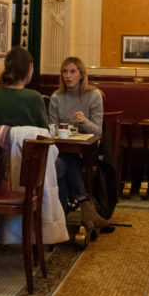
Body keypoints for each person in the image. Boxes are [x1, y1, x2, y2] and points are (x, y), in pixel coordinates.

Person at [46, 56, 105, 242]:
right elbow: (52, 128)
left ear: (81, 75)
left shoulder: (93, 95)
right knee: (62, 164)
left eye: (72, 71)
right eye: (64, 71)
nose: (68, 76)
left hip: (87, 150)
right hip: (62, 148)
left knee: (66, 162)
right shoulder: (56, 97)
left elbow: (98, 130)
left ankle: (61, 217)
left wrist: (83, 121)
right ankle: (84, 204)